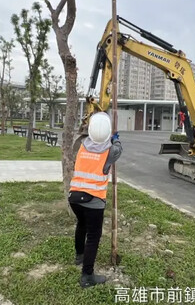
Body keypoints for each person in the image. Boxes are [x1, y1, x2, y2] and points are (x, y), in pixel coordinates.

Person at [68, 112, 122, 288]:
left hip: (75, 197)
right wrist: (116, 138)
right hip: (94, 201)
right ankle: (87, 276)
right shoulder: (110, 151)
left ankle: (79, 256)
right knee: (93, 236)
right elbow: (119, 148)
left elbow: (84, 135)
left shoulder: (80, 145)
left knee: (81, 225)